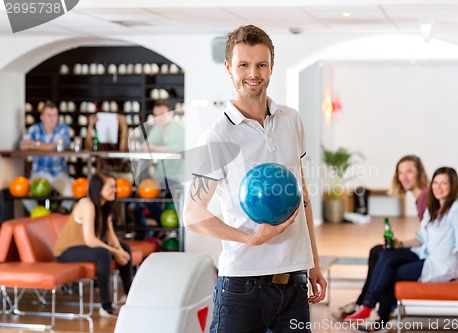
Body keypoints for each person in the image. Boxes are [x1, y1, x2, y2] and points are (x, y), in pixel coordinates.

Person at [183, 25, 327, 332]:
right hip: (242, 287)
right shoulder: (216, 136)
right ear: (228, 68)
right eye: (244, 65)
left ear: (272, 66)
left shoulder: (292, 120)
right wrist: (249, 238)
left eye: (261, 64)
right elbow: (192, 215)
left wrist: (313, 261)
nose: (253, 73)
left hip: (294, 284)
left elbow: (302, 196)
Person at [345, 167, 458, 332]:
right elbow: (422, 238)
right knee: (385, 254)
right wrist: (400, 244)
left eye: (444, 183)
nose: (438, 187)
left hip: (440, 265)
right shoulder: (434, 207)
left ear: (453, 186)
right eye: (436, 183)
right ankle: (371, 309)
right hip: (425, 256)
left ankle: (372, 312)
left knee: (389, 272)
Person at [333, 155, 429, 319]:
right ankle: (362, 303)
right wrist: (400, 243)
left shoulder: (426, 197)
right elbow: (426, 235)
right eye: (401, 173)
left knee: (383, 256)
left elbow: (431, 237)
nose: (404, 177)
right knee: (377, 251)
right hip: (425, 248)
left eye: (409, 172)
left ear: (419, 173)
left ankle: (367, 305)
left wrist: (402, 245)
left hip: (428, 255)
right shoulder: (421, 197)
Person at [53, 173, 133, 318]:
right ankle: (105, 306)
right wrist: (115, 252)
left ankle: (130, 297)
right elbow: (90, 240)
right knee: (103, 253)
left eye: (115, 186)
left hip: (85, 248)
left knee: (125, 248)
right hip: (66, 251)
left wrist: (120, 251)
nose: (115, 190)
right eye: (111, 187)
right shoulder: (87, 205)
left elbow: (109, 234)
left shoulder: (104, 206)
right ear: (98, 189)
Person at [131, 100, 185, 239]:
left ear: (171, 113)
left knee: (148, 196)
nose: (158, 118)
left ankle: (164, 228)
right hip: (160, 176)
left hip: (177, 177)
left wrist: (156, 148)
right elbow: (145, 146)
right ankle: (146, 235)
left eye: (161, 114)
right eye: (156, 115)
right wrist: (155, 147)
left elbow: (179, 149)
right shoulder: (158, 128)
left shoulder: (178, 128)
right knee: (137, 204)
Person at [20, 101, 73, 213]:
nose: (53, 119)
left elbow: (61, 145)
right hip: (39, 173)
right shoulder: (35, 129)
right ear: (42, 117)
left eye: (55, 115)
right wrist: (47, 146)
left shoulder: (63, 129)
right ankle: (40, 216)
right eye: (49, 115)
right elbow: (23, 145)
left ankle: (59, 215)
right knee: (23, 192)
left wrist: (35, 144)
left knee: (72, 191)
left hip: (59, 173)